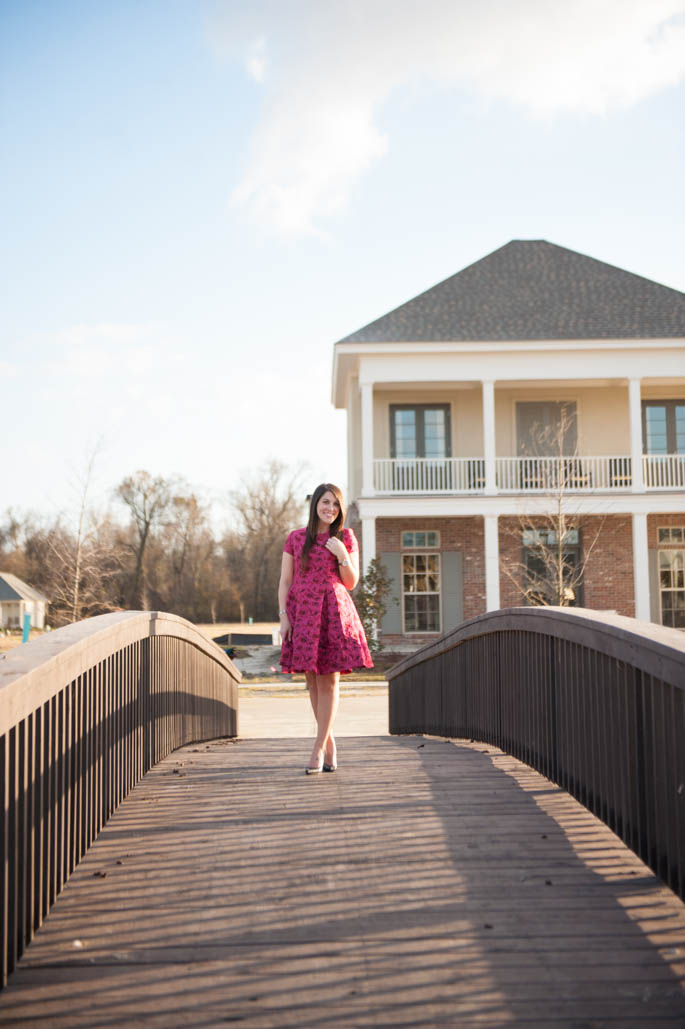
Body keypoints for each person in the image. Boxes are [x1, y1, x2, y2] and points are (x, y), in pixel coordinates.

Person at [278, 483, 373, 774]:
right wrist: (284, 617)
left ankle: (318, 749)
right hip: (303, 613)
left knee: (329, 681)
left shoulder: (345, 537)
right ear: (315, 504)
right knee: (312, 680)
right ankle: (329, 743)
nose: (330, 508)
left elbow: (351, 581)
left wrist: (342, 552)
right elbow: (284, 581)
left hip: (333, 611)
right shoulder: (295, 538)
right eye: (325, 502)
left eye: (335, 504)